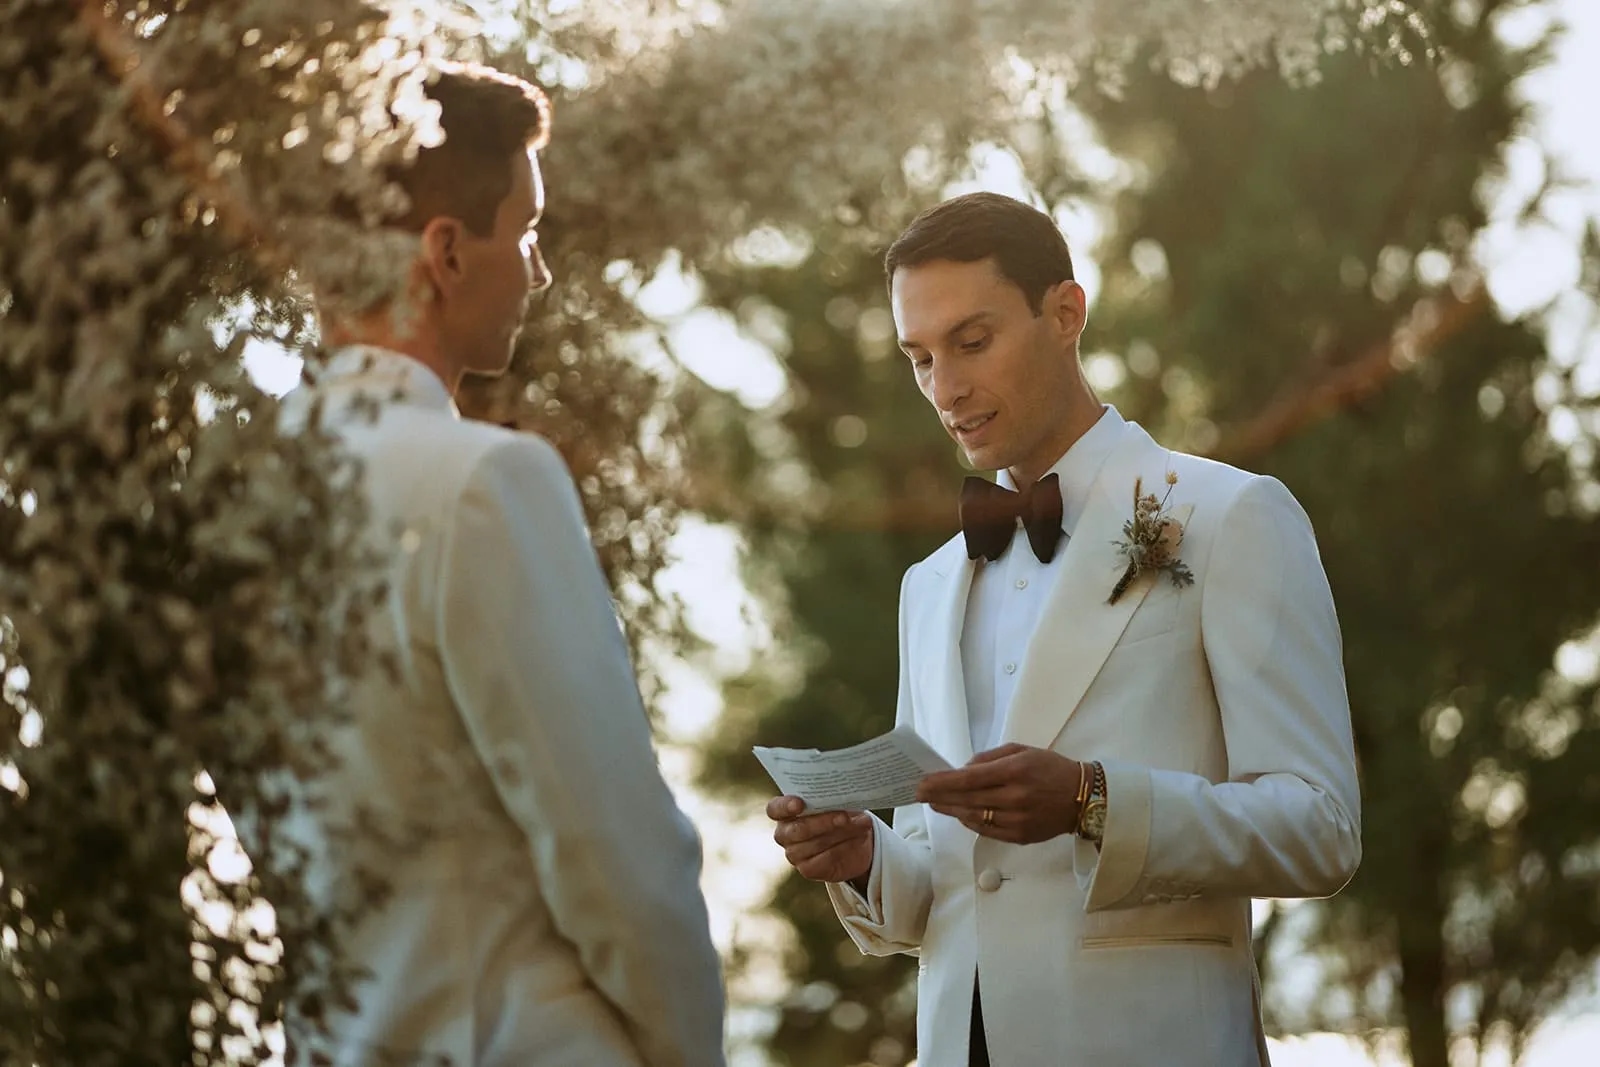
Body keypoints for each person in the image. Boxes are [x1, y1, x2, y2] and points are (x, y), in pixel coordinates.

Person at [767, 192, 1361, 1067]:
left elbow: (1320, 828)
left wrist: (1092, 799)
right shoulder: (928, 585)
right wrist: (864, 855)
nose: (946, 388)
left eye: (972, 342)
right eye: (919, 357)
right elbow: (944, 882)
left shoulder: (1229, 514)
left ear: (1066, 313)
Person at [275, 63, 726, 1067]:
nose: (538, 270)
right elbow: (617, 857)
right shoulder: (484, 480)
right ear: (443, 250)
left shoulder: (235, 495)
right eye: (525, 233)